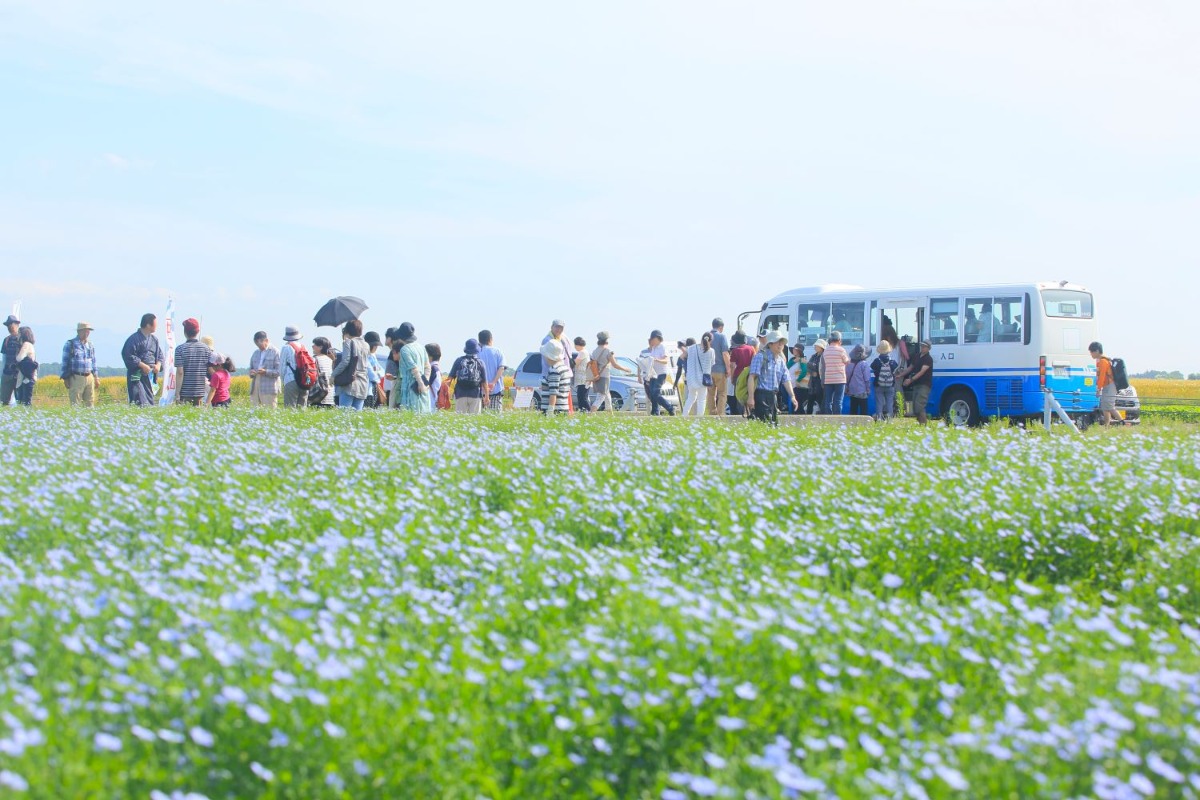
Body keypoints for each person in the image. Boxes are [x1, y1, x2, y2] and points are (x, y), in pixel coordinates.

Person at [746, 331, 796, 424]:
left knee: (773, 425)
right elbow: (752, 377)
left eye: (782, 343)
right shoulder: (760, 356)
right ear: (770, 344)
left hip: (773, 397)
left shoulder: (781, 361)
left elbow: (786, 380)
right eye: (778, 342)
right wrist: (751, 397)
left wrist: (792, 396)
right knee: (764, 425)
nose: (781, 345)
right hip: (761, 396)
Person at [122, 313, 164, 407]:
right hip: (137, 376)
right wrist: (142, 365)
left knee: (149, 401)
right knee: (139, 401)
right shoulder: (133, 339)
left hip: (150, 376)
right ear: (148, 325)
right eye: (155, 323)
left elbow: (160, 355)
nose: (157, 326)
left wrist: (158, 365)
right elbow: (127, 355)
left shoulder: (154, 340)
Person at [331, 320, 370, 410]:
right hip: (363, 382)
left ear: (347, 330)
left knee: (344, 415)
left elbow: (345, 361)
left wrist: (333, 375)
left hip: (350, 382)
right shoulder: (366, 344)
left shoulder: (348, 342)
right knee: (357, 416)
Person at [173, 318, 213, 406]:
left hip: (185, 392)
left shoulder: (180, 349)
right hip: (200, 392)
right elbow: (211, 370)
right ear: (198, 331)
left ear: (185, 332)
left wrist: (177, 394)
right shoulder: (206, 349)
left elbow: (180, 372)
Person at [394, 322, 432, 413]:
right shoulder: (421, 347)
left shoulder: (404, 349)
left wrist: (420, 383)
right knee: (423, 413)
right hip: (422, 386)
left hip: (410, 386)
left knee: (410, 413)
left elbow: (413, 369)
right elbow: (427, 367)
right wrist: (425, 382)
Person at [588, 331, 631, 412]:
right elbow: (615, 365)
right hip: (604, 376)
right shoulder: (608, 351)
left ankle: (610, 414)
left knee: (607, 395)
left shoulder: (594, 351)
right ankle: (591, 413)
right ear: (606, 340)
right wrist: (626, 369)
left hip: (596, 376)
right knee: (601, 397)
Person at [60, 322, 100, 408]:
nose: (87, 333)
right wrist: (65, 378)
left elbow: (94, 361)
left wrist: (96, 377)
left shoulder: (90, 345)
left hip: (89, 376)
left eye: (88, 331)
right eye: (84, 331)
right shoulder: (70, 344)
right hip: (76, 377)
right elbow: (65, 361)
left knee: (90, 403)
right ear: (79, 332)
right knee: (75, 403)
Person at [448, 339, 487, 414]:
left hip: (460, 394)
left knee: (460, 420)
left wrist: (447, 393)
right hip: (475, 394)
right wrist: (487, 396)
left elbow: (450, 379)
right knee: (475, 420)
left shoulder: (459, 360)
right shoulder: (480, 362)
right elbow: (484, 382)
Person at [682, 332, 716, 416]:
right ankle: (700, 418)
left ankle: (684, 416)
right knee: (701, 399)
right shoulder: (711, 351)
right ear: (710, 341)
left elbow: (683, 357)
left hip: (691, 378)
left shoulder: (691, 348)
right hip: (703, 379)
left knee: (691, 398)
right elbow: (712, 364)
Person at [901, 339, 934, 424]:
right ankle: (921, 424)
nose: (922, 347)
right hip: (916, 384)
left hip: (924, 385)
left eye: (924, 346)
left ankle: (924, 425)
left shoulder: (928, 359)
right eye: (921, 346)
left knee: (919, 405)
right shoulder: (917, 356)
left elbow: (922, 371)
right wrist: (901, 375)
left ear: (928, 348)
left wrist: (910, 380)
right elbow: (910, 368)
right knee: (915, 408)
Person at [1089, 341, 1122, 426]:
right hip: (1107, 386)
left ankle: (1123, 423)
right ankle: (1107, 427)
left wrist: (1098, 389)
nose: (1091, 354)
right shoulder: (1101, 361)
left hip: (1110, 386)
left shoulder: (1103, 362)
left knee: (1110, 406)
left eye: (1091, 352)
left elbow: (1102, 376)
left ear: (1096, 351)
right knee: (1105, 407)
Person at [246, 330, 280, 408]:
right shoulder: (255, 353)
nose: (259, 347)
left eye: (260, 344)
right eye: (257, 345)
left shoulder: (275, 352)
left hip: (269, 387)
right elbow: (250, 368)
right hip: (256, 386)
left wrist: (266, 372)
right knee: (255, 410)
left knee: (269, 411)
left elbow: (279, 371)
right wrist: (251, 372)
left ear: (266, 340)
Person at [645, 330, 674, 416]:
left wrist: (657, 360)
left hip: (661, 373)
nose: (651, 341)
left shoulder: (662, 347)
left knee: (655, 392)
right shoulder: (653, 348)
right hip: (653, 373)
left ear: (657, 338)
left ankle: (670, 408)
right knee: (652, 393)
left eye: (652, 339)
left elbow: (666, 360)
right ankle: (655, 411)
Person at [820, 332, 850, 415]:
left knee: (828, 400)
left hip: (828, 379)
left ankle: (829, 417)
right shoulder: (841, 350)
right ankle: (837, 418)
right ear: (839, 340)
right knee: (838, 400)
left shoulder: (825, 351)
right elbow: (846, 362)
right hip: (840, 379)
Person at [707, 318, 732, 416]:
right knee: (722, 393)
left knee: (711, 394)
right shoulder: (721, 336)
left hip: (708, 371)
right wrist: (728, 368)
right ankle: (721, 415)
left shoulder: (706, 336)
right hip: (720, 369)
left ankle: (712, 414)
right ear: (721, 327)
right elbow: (725, 353)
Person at [280, 325, 309, 408]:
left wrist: (283, 382)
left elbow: (282, 368)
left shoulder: (286, 347)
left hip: (291, 380)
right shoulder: (303, 347)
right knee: (302, 408)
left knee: (290, 408)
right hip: (305, 381)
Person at [727, 331, 756, 415]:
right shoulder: (751, 349)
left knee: (739, 396)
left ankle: (742, 414)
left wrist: (732, 378)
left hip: (738, 376)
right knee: (749, 394)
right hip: (750, 376)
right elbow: (754, 362)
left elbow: (732, 366)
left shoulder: (735, 351)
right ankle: (750, 413)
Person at [478, 330, 506, 412]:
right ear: (490, 339)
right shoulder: (497, 351)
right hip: (496, 390)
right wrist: (493, 382)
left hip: (480, 391)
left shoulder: (477, 353)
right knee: (496, 417)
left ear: (479, 341)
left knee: (480, 418)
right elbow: (501, 368)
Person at [540, 339, 570, 414]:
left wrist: (550, 411)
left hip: (555, 410)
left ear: (548, 356)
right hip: (563, 407)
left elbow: (553, 392)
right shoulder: (564, 368)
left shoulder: (554, 370)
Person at [871, 341, 899, 421]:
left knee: (879, 402)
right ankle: (890, 419)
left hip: (879, 385)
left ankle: (879, 419)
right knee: (889, 403)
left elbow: (873, 368)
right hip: (890, 385)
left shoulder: (876, 361)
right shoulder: (892, 362)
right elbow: (895, 370)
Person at [1, 314, 23, 406]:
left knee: (20, 400)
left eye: (11, 324)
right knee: (4, 401)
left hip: (18, 374)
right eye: (8, 325)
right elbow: (4, 359)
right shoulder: (6, 340)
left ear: (17, 325)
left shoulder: (22, 339)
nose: (10, 326)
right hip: (7, 373)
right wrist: (2, 374)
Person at [12, 327, 37, 406]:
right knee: (26, 401)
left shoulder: (26, 345)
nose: (18, 335)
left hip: (26, 377)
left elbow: (19, 358)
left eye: (19, 333)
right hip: (28, 376)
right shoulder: (30, 345)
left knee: (24, 402)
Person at [311, 337, 337, 408]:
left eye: (314, 345)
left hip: (318, 395)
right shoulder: (332, 360)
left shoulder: (314, 359)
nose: (312, 346)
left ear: (320, 347)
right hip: (331, 395)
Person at [846, 344, 872, 415]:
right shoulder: (864, 364)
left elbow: (847, 377)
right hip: (862, 390)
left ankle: (852, 424)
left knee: (853, 410)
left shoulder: (849, 364)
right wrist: (868, 389)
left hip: (852, 390)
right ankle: (863, 425)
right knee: (864, 410)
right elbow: (867, 379)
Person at [363, 331, 386, 408]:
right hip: (367, 388)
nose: (376, 348)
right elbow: (372, 375)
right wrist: (377, 375)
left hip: (374, 388)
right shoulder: (365, 356)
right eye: (375, 345)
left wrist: (378, 373)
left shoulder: (373, 356)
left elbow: (382, 371)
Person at [571, 337, 592, 412]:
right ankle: (583, 411)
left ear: (578, 344)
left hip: (583, 379)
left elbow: (576, 363)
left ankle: (589, 412)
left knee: (582, 397)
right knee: (582, 396)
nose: (574, 347)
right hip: (584, 378)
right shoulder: (585, 351)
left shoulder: (582, 352)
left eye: (575, 345)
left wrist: (570, 361)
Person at [806, 339, 826, 415]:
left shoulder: (824, 356)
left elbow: (819, 367)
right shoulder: (813, 356)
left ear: (821, 347)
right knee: (810, 400)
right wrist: (812, 372)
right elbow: (808, 368)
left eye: (816, 346)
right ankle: (808, 417)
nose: (815, 347)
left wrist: (809, 364)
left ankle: (821, 417)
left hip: (820, 381)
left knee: (820, 400)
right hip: (812, 382)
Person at [789, 342, 809, 415]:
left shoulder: (802, 360)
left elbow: (804, 371)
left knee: (799, 404)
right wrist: (794, 361)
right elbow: (786, 367)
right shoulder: (792, 360)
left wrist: (798, 380)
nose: (794, 350)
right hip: (792, 385)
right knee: (794, 402)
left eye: (795, 349)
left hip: (798, 386)